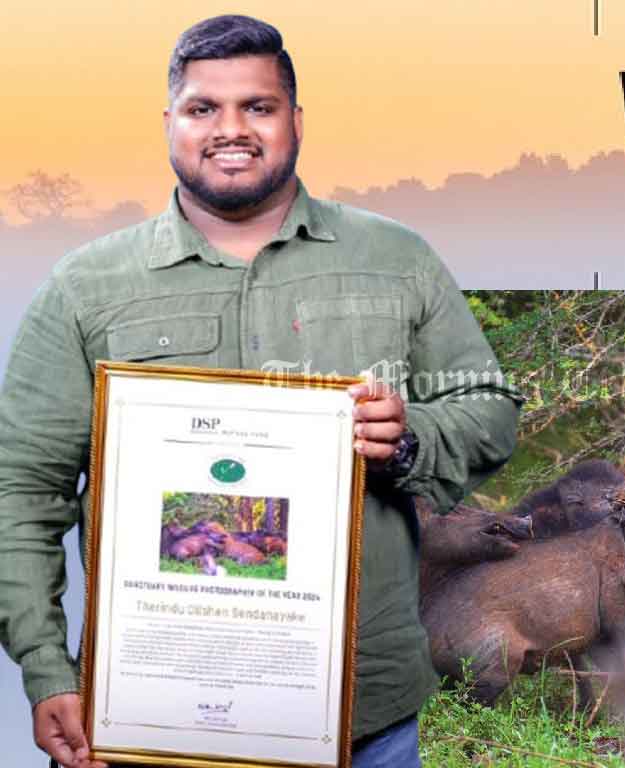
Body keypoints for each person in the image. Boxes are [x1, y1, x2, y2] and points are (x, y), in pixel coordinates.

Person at [0, 15, 520, 768]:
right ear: (170, 123)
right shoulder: (85, 286)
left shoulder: (398, 260)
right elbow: (21, 493)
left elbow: (490, 413)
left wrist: (406, 440)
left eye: (258, 107)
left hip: (362, 721)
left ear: (296, 122)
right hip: (140, 720)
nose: (230, 129)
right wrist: (48, 666)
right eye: (203, 108)